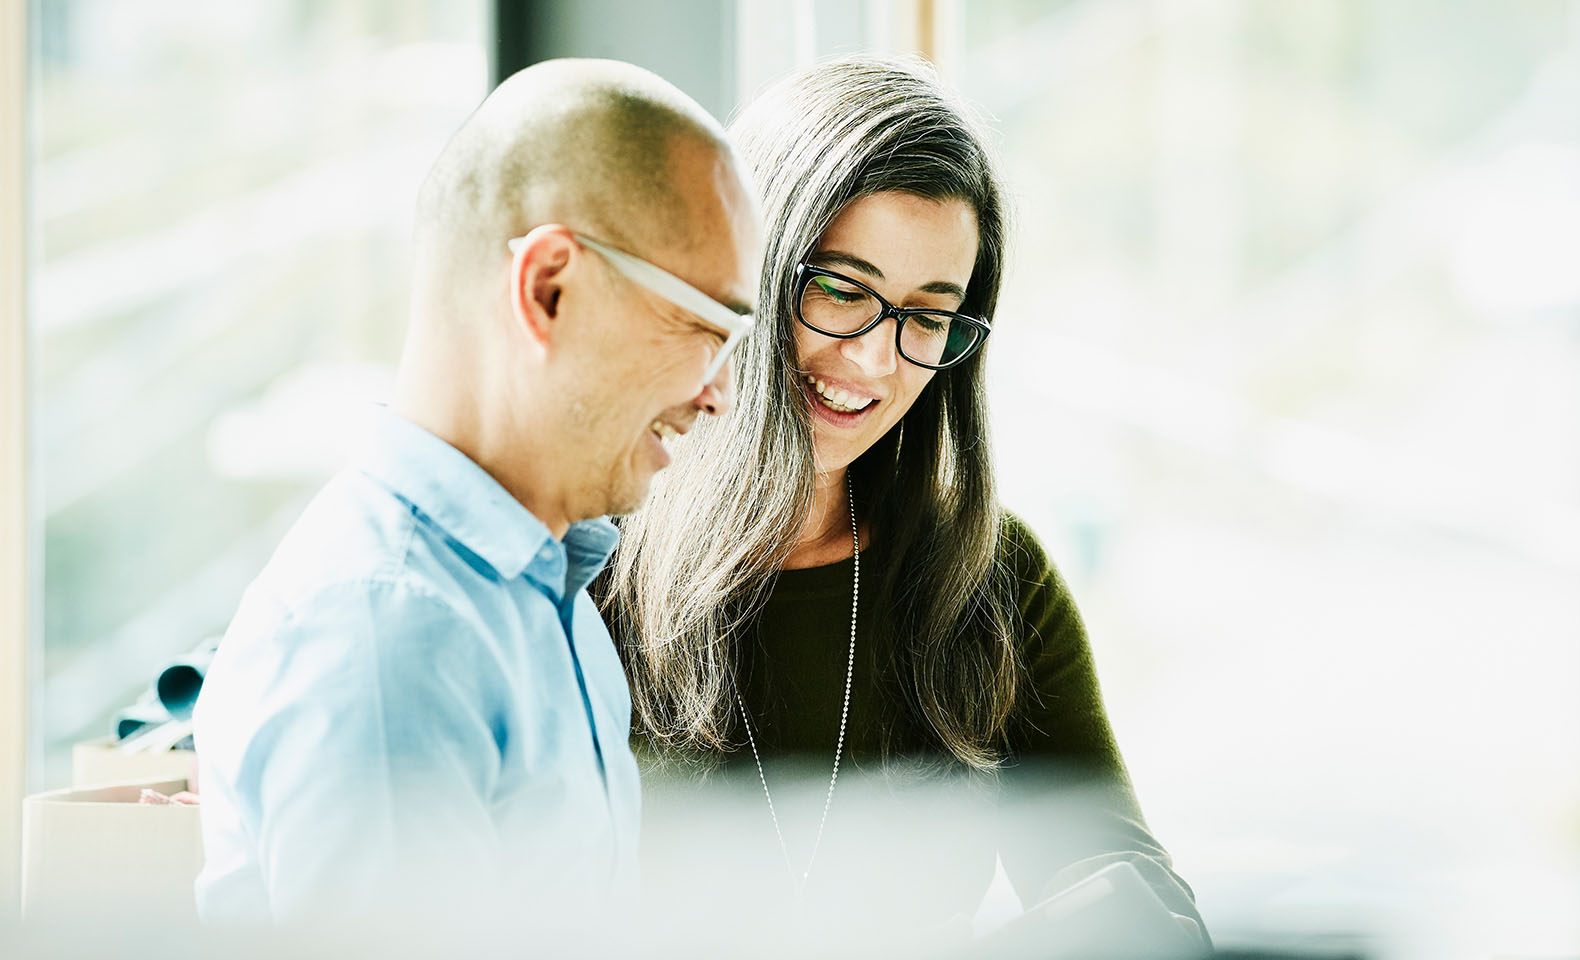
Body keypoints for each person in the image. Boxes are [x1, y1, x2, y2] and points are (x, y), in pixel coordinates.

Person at [601, 55, 1208, 947]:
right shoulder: (580, 565)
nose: (878, 363)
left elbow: (1149, 916)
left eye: (928, 315)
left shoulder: (987, 578)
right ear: (745, 271)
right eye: (843, 290)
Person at [191, 58, 759, 926]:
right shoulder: (391, 637)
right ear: (548, 288)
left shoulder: (540, 594)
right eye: (703, 328)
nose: (719, 391)